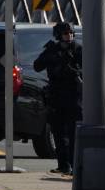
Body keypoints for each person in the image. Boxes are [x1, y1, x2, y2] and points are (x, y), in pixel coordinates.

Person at [33, 22, 83, 175]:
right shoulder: (52, 49)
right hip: (56, 96)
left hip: (73, 97)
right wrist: (52, 57)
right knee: (58, 132)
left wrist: (74, 70)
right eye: (65, 33)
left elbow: (87, 69)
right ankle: (63, 165)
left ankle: (75, 166)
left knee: (73, 132)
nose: (68, 36)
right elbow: (37, 66)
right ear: (58, 35)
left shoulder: (78, 49)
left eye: (70, 33)